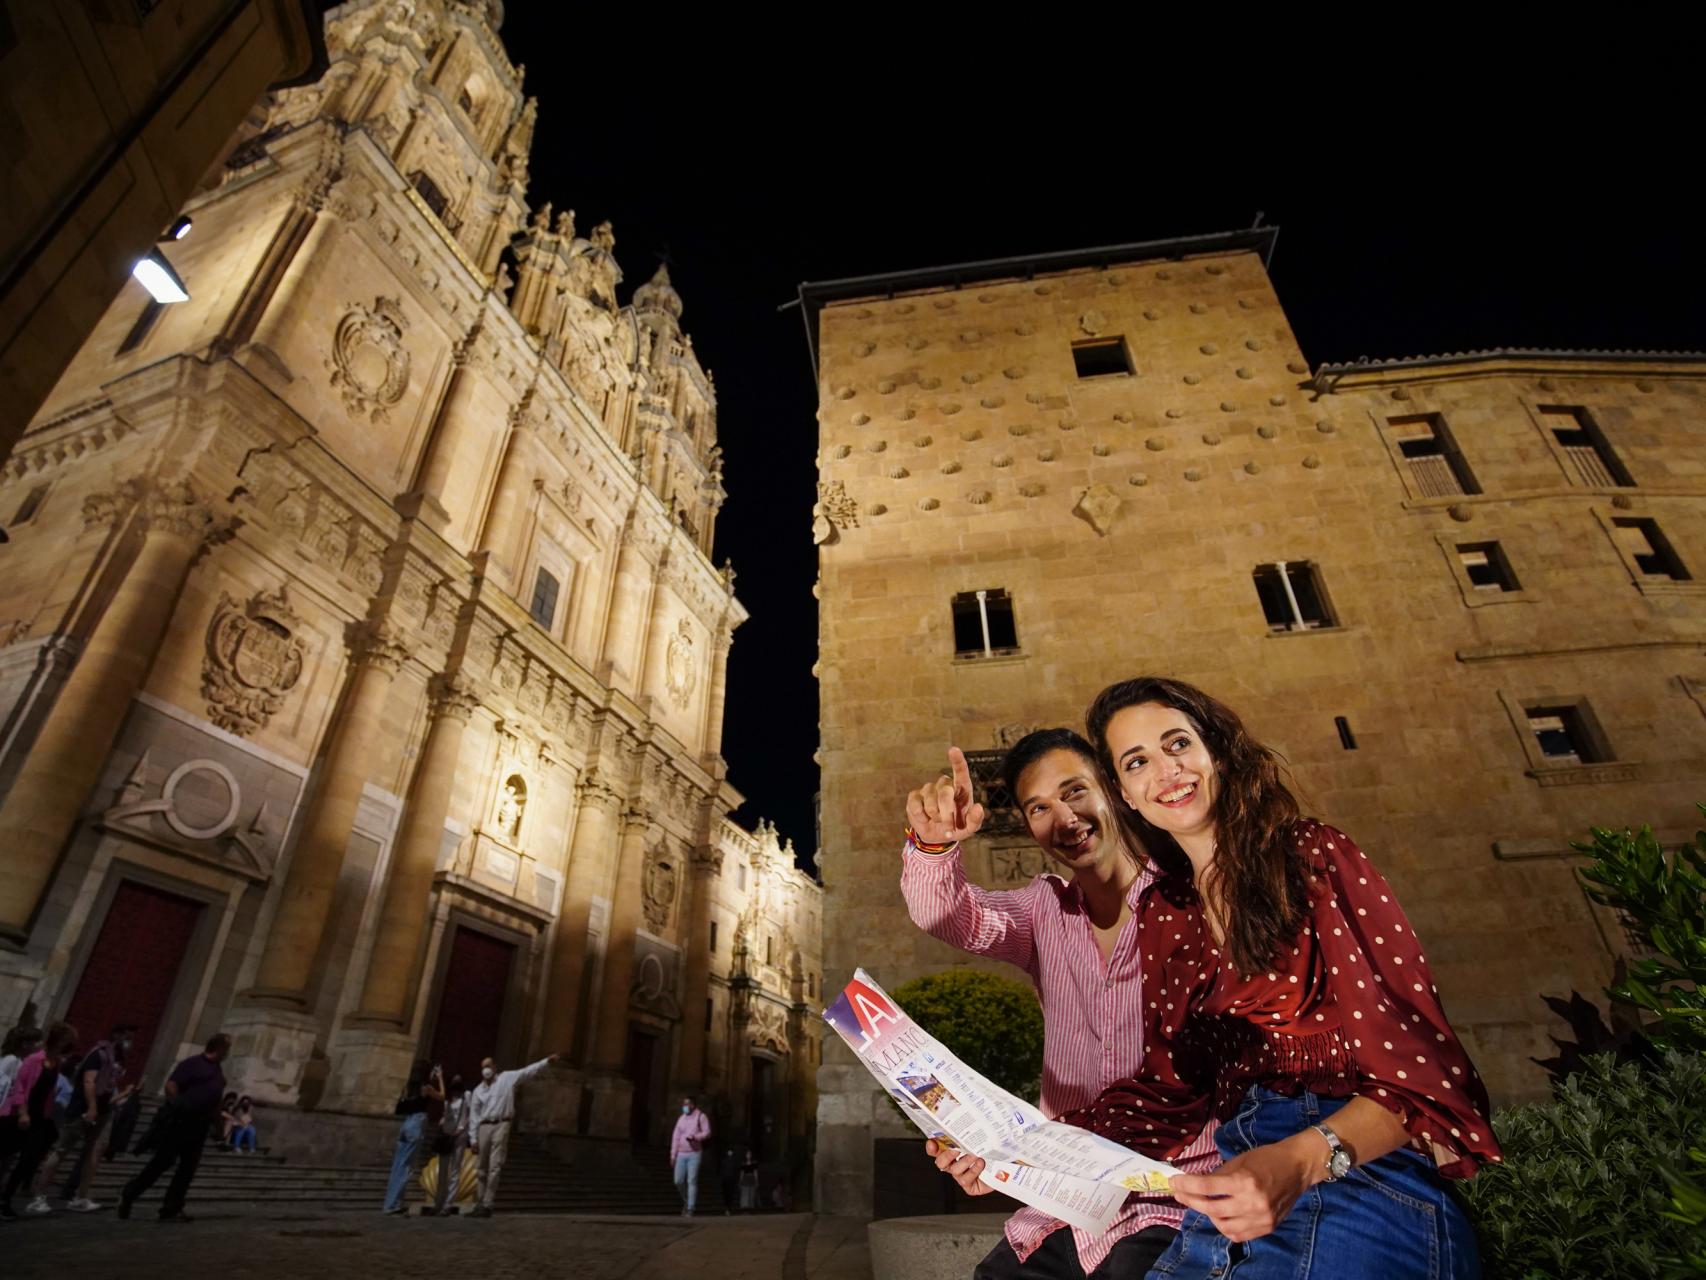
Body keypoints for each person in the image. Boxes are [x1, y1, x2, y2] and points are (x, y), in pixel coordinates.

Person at [1061, 677, 1501, 1279]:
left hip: (1356, 1173)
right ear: (1124, 795)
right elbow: (1169, 1092)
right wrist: (1018, 1152)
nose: (1167, 770)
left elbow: (1420, 1070)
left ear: (1215, 751)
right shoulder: (1165, 910)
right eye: (1138, 761)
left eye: (1178, 744)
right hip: (1232, 1186)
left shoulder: (1311, 856)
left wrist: (1300, 1162)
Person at [902, 735, 1219, 1279]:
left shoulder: (1192, 900)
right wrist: (933, 846)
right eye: (1039, 808)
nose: (1065, 818)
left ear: (1114, 793)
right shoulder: (1041, 911)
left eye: (1075, 792)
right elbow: (945, 914)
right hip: (1066, 1202)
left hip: (1181, 1196)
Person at [118, 1032, 232, 1223]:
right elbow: (171, 1085)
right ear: (219, 1048)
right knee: (162, 1163)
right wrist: (179, 1104)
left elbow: (216, 1104)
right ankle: (129, 1194)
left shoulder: (218, 1072)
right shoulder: (192, 1063)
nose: (228, 1052)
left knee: (187, 1169)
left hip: (200, 1127)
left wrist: (219, 1132)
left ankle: (171, 1208)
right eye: (227, 1048)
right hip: (180, 1123)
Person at [32, 1022, 136, 1212]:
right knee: (62, 1150)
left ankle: (81, 1196)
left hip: (103, 1109)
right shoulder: (98, 1054)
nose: (129, 1042)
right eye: (127, 1038)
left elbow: (108, 1084)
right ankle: (38, 1196)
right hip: (84, 1109)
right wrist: (92, 1107)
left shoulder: (115, 1058)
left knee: (94, 1152)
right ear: (118, 1036)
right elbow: (89, 1081)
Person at [0, 1022, 79, 1220]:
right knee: (5, 1153)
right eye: (67, 1041)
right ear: (58, 1040)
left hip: (40, 1118)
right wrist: (23, 1112)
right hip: (20, 1115)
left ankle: (5, 1200)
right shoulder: (35, 1060)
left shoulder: (56, 1063)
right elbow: (20, 1087)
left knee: (27, 1160)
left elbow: (50, 1091)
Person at [466, 1052, 558, 1218]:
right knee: (480, 1168)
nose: (486, 1070)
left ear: (494, 1067)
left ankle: (488, 1203)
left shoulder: (507, 1078)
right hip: (484, 1127)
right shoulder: (478, 1091)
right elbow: (474, 1115)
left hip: (502, 1124)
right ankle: (478, 1203)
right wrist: (472, 1138)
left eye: (488, 1066)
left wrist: (546, 1061)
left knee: (495, 1166)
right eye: (483, 1067)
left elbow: (527, 1071)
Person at [383, 1062, 442, 1215]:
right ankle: (394, 1205)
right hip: (416, 1123)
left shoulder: (409, 1087)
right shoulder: (426, 1088)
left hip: (406, 1123)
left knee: (398, 1165)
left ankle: (391, 1203)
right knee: (406, 1166)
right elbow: (442, 1096)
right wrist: (440, 1078)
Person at [425, 1073, 471, 1217]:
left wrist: (462, 1128)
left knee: (455, 1171)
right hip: (446, 1136)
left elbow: (471, 1114)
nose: (456, 1081)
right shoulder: (448, 1100)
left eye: (458, 1079)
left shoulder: (466, 1097)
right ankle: (438, 1203)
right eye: (454, 1080)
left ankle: (448, 1205)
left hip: (460, 1137)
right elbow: (446, 1114)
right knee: (442, 1171)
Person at [669, 1095, 711, 1217]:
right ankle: (686, 1200)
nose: (684, 1107)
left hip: (694, 1153)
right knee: (678, 1180)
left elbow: (707, 1132)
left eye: (687, 1104)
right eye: (684, 1104)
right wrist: (673, 1155)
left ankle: (691, 1207)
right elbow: (675, 1137)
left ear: (693, 1105)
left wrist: (696, 1137)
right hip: (681, 1153)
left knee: (692, 1180)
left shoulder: (701, 1116)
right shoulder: (681, 1119)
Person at [718, 1145, 741, 1216]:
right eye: (729, 1151)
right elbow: (721, 1170)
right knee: (726, 1195)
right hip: (725, 1180)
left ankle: (729, 1208)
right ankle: (727, 1208)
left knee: (731, 1195)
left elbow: (737, 1171)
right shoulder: (724, 1161)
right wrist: (722, 1179)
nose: (730, 1152)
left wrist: (736, 1180)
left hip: (732, 1180)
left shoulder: (735, 1161)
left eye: (731, 1151)